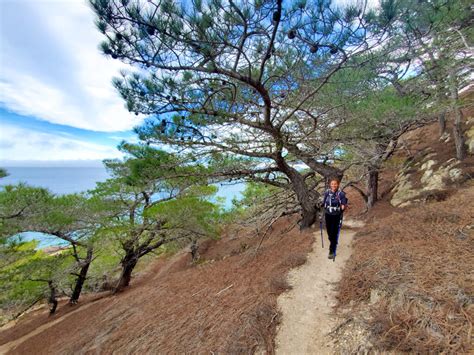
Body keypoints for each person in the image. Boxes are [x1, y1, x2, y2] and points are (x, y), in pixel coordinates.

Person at [322, 177, 348, 260]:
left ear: (338, 184)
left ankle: (332, 251)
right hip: (328, 214)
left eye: (335, 184)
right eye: (332, 184)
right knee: (329, 232)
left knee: (334, 232)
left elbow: (344, 203)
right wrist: (319, 205)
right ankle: (333, 241)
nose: (334, 185)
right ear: (330, 184)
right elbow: (324, 201)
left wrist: (343, 206)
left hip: (337, 215)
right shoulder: (327, 192)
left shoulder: (341, 194)